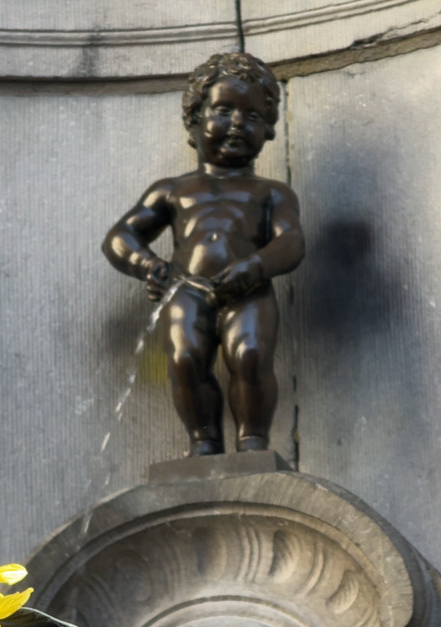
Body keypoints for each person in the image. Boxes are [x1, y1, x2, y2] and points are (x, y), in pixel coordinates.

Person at [102, 52, 305, 457]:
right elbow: (120, 236)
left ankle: (253, 443)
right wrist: (147, 265)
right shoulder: (173, 190)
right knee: (184, 358)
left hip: (248, 288)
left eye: (251, 115)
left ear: (268, 128)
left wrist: (255, 266)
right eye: (223, 110)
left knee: (250, 355)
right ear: (195, 119)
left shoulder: (272, 193)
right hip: (186, 289)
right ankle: (203, 443)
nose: (237, 123)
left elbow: (292, 242)